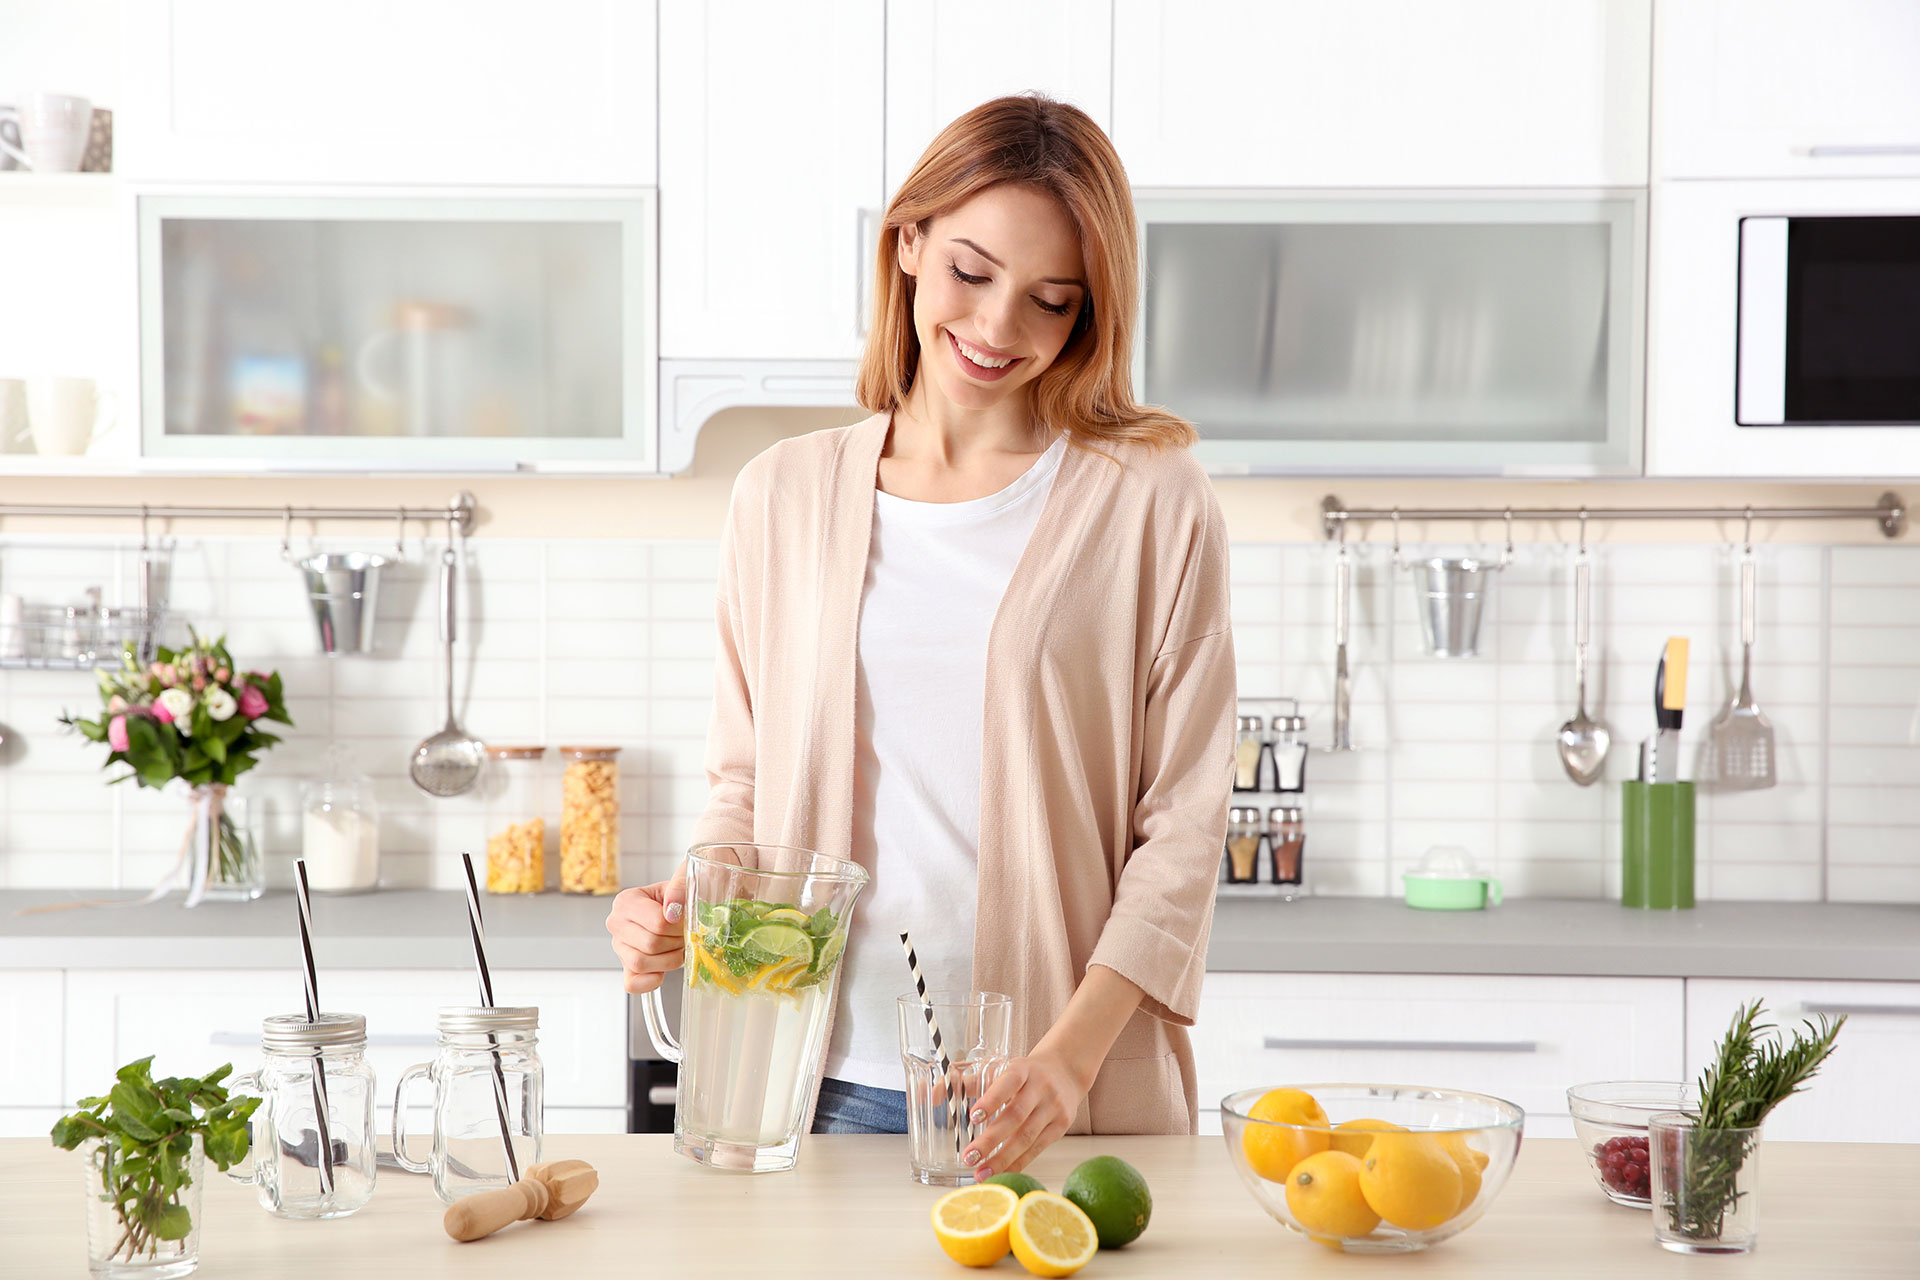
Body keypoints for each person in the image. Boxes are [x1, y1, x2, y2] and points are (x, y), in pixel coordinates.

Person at [608, 94, 1234, 1176]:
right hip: (821, 1085)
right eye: (971, 272)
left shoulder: (1152, 500)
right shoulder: (783, 495)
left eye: (1051, 299)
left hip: (1055, 1094)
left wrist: (1067, 1061)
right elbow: (747, 783)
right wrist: (685, 901)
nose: (998, 330)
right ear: (908, 242)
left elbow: (1182, 828)